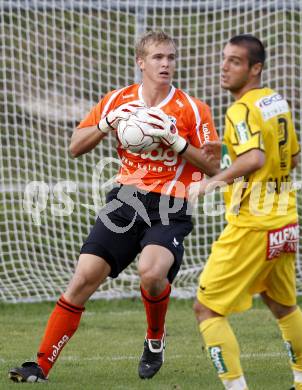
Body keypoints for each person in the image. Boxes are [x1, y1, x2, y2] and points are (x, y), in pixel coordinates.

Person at [9, 30, 219, 383]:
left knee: (152, 274)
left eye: (170, 57)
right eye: (157, 57)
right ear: (141, 62)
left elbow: (213, 166)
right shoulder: (117, 100)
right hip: (125, 200)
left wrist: (176, 140)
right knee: (83, 278)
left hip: (171, 203)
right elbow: (76, 146)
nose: (166, 63)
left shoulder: (193, 109)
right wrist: (107, 123)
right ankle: (40, 365)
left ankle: (155, 339)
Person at [189, 34, 302, 390]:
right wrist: (229, 147)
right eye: (224, 59)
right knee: (283, 306)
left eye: (235, 62)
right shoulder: (275, 101)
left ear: (255, 68)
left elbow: (255, 158)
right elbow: (290, 157)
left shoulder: (241, 108)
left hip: (252, 225)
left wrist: (210, 184)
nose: (224, 67)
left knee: (207, 310)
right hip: (285, 221)